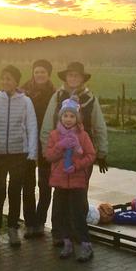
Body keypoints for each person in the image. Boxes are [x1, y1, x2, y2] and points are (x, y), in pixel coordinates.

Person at [41, 61, 109, 244]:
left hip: (81, 157)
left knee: (79, 196)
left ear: (81, 79)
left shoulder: (90, 99)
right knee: (60, 197)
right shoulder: (57, 97)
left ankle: (78, 232)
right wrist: (46, 151)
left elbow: (99, 126)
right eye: (70, 75)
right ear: (66, 78)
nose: (73, 78)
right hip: (60, 154)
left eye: (76, 76)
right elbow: (48, 125)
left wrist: (101, 152)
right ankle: (59, 234)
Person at [0, 65, 38, 248]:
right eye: (3, 78)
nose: (6, 82)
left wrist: (32, 155)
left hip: (18, 155)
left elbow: (31, 128)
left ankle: (13, 228)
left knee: (15, 192)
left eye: (10, 79)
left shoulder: (25, 102)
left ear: (16, 82)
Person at [44, 98, 97, 262]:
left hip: (76, 182)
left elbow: (90, 155)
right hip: (60, 183)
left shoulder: (83, 136)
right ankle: (67, 243)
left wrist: (77, 166)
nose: (68, 119)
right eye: (65, 115)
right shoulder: (54, 135)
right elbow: (49, 156)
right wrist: (61, 145)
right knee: (61, 214)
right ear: (60, 117)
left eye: (72, 116)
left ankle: (86, 245)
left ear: (77, 118)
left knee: (77, 215)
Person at [21, 59, 56, 238]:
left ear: (48, 74)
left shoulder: (55, 94)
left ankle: (40, 221)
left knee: (45, 185)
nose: (40, 75)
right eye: (37, 72)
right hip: (26, 143)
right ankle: (29, 223)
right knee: (27, 184)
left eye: (43, 72)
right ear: (32, 74)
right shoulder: (23, 92)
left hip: (46, 143)